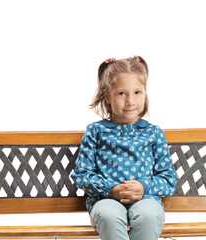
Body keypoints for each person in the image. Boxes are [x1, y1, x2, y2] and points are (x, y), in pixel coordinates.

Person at [72, 56, 177, 240]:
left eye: (137, 92)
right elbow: (82, 175)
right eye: (122, 93)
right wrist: (111, 188)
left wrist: (144, 187)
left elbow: (168, 179)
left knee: (149, 216)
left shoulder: (153, 133)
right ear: (107, 95)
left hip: (146, 199)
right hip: (106, 200)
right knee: (108, 215)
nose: (130, 101)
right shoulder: (96, 131)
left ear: (145, 93)